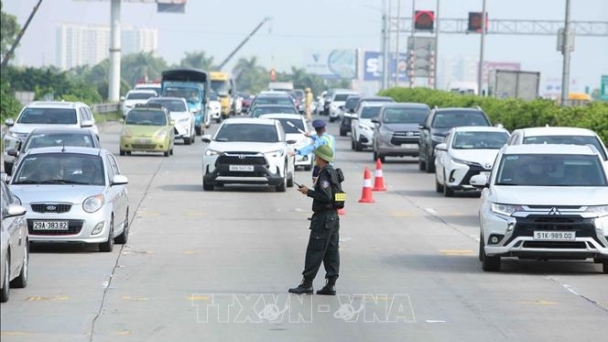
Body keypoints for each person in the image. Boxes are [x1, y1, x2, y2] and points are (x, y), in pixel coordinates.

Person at [289, 145, 340, 295]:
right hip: (333, 217)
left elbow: (326, 196)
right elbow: (337, 196)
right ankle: (330, 285)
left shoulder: (324, 174)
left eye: (316, 156)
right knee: (331, 252)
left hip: (324, 217)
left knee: (315, 250)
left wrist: (308, 192)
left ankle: (307, 284)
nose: (315, 158)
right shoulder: (333, 173)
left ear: (320, 158)